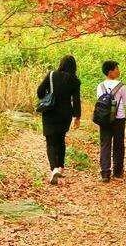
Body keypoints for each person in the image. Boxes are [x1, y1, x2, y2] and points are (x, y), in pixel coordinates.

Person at [36, 55, 81, 185]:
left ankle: (54, 168)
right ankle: (60, 167)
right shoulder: (75, 80)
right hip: (66, 113)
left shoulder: (52, 75)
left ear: (61, 64)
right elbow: (77, 100)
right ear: (73, 66)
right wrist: (77, 117)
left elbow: (39, 92)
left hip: (50, 112)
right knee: (61, 140)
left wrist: (47, 96)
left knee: (50, 141)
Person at [97, 60, 126, 182]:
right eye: (116, 68)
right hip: (118, 119)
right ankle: (117, 173)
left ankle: (105, 173)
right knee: (118, 145)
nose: (118, 70)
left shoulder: (100, 86)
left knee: (105, 145)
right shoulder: (121, 86)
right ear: (110, 71)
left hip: (104, 120)